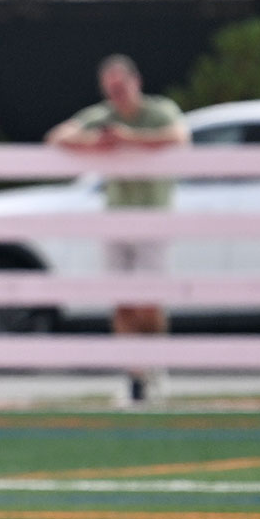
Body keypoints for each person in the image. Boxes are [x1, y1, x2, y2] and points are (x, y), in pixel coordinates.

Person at [44, 54, 189, 404]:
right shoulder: (103, 116)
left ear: (136, 82)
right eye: (110, 89)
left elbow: (179, 137)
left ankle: (155, 364)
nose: (116, 95)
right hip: (116, 216)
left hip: (153, 215)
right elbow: (58, 136)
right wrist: (96, 143)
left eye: (121, 87)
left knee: (149, 300)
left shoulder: (158, 110)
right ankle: (134, 376)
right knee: (121, 300)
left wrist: (129, 139)